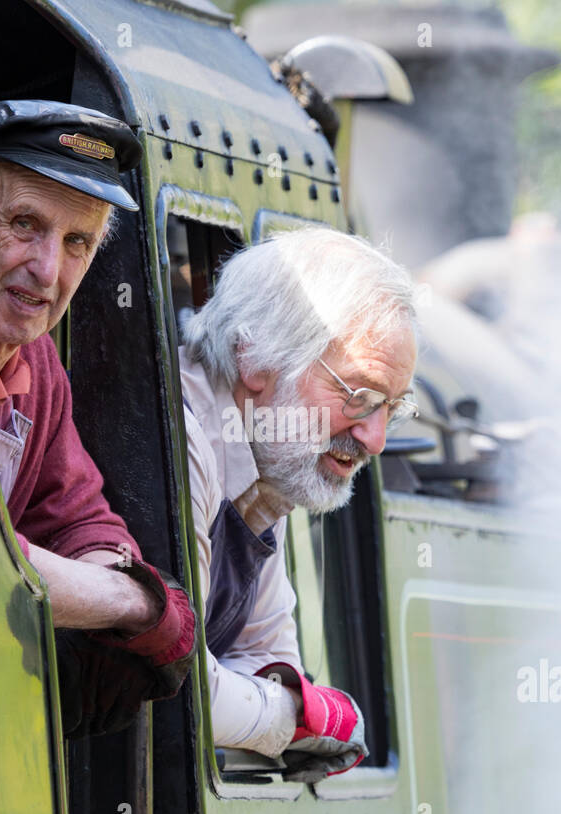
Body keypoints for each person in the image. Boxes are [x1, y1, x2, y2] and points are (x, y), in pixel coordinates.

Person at [0, 100, 194, 735]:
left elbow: (81, 519)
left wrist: (114, 580)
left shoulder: (37, 364)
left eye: (77, 242)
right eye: (25, 224)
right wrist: (131, 599)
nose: (48, 270)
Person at [179, 227, 418, 782]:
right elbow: (184, 685)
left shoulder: (272, 456)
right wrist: (296, 717)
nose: (376, 439)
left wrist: (270, 706)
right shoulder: (185, 437)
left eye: (392, 408)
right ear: (255, 356)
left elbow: (264, 656)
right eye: (357, 396)